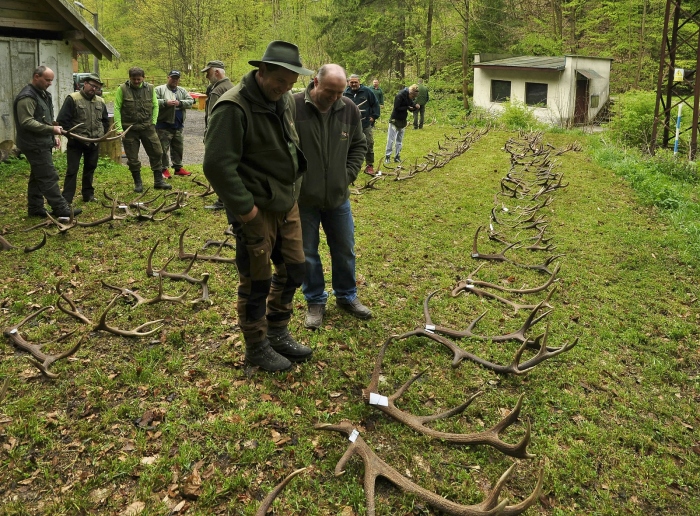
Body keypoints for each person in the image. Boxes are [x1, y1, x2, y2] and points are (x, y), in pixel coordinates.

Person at [203, 41, 314, 372]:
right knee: (256, 280)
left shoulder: (284, 100)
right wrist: (247, 211)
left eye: (291, 84)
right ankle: (256, 345)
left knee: (295, 269)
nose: (285, 90)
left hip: (286, 202)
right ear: (261, 71)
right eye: (280, 82)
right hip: (254, 207)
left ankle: (278, 332)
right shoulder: (232, 108)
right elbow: (217, 166)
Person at [293, 64, 371, 330]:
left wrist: (347, 175)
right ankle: (315, 300)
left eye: (340, 92)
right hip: (303, 200)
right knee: (307, 253)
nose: (336, 98)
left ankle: (347, 296)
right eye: (330, 91)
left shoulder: (348, 108)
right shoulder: (292, 107)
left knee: (344, 249)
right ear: (315, 82)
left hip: (338, 198)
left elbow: (359, 144)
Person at [13, 66, 82, 218]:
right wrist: (51, 131)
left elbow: (45, 119)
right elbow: (26, 122)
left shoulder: (43, 94)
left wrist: (54, 136)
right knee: (48, 176)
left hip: (42, 141)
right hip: (33, 144)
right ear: (36, 77)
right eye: (47, 80)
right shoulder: (27, 97)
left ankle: (35, 208)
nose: (50, 83)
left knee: (38, 175)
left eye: (51, 80)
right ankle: (61, 208)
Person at [114, 67, 171, 192]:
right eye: (133, 79)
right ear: (129, 78)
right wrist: (119, 128)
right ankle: (138, 183)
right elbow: (117, 108)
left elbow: (155, 105)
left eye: (138, 79)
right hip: (129, 128)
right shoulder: (122, 89)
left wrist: (153, 122)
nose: (136, 81)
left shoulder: (150, 88)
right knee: (132, 157)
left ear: (143, 78)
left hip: (147, 127)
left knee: (157, 152)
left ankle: (158, 181)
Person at [56, 73, 109, 204]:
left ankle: (88, 195)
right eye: (92, 86)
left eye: (97, 87)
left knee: (90, 168)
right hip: (76, 142)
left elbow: (105, 121)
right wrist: (71, 136)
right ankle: (67, 198)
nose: (94, 89)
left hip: (94, 142)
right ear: (85, 84)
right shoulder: (73, 98)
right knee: (72, 170)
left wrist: (101, 134)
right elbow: (62, 120)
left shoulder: (100, 101)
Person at [201, 60, 233, 212]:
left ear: (217, 72)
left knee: (217, 168)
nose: (206, 76)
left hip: (219, 136)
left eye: (208, 72)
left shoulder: (217, 91)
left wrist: (209, 136)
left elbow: (212, 116)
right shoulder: (231, 87)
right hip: (230, 134)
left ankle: (223, 200)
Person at [155, 70, 194, 178]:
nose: (174, 80)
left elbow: (191, 101)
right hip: (163, 125)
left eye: (176, 78)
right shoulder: (159, 89)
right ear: (168, 78)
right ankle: (164, 169)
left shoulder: (182, 91)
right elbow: (152, 101)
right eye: (172, 78)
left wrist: (180, 103)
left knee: (178, 147)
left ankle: (178, 168)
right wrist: (165, 102)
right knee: (162, 149)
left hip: (178, 125)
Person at [343, 74, 380, 176]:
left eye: (356, 82)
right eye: (352, 82)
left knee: (368, 143)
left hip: (365, 123)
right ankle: (348, 166)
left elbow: (375, 104)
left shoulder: (367, 91)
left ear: (359, 82)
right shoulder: (345, 93)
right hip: (349, 125)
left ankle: (369, 166)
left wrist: (374, 116)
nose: (354, 84)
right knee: (346, 144)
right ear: (348, 82)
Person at [385, 84, 420, 164]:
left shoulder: (409, 97)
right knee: (391, 139)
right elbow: (397, 108)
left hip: (403, 120)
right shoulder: (400, 96)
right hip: (395, 119)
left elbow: (411, 105)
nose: (413, 98)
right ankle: (387, 156)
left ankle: (397, 156)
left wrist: (415, 106)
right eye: (413, 97)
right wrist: (407, 107)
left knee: (399, 140)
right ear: (410, 93)